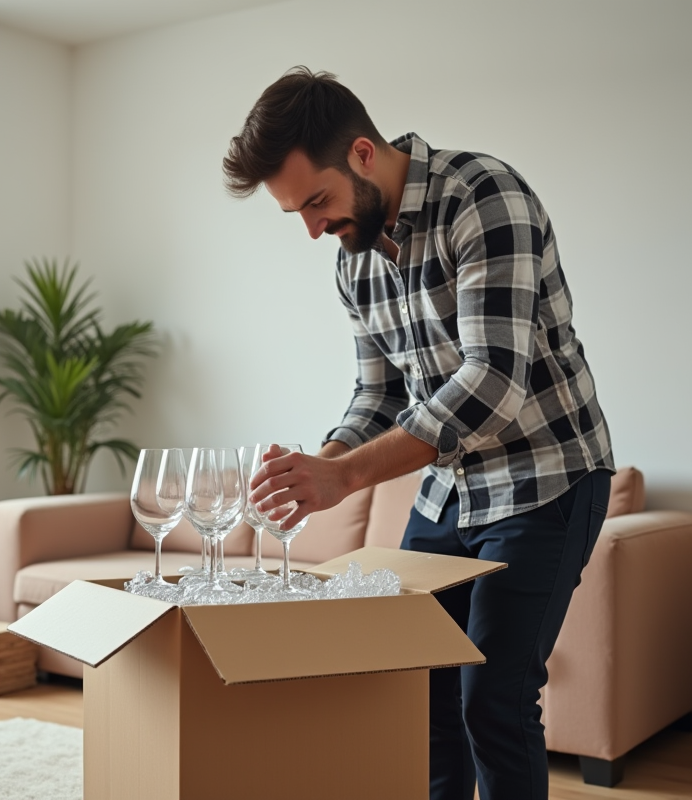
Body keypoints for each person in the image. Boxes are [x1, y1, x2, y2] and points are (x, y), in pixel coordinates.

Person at [222, 67, 616, 800]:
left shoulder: (484, 195)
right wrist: (324, 460)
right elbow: (379, 391)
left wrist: (347, 477)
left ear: (364, 155)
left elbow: (493, 384)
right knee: (422, 692)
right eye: (295, 214)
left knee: (492, 702)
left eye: (318, 201)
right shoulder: (356, 260)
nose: (314, 229)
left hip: (547, 477)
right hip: (451, 491)